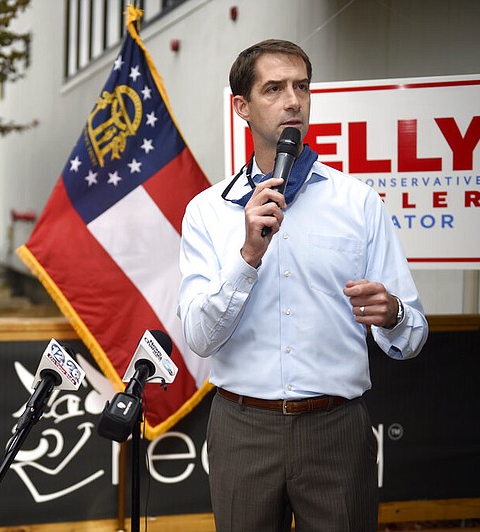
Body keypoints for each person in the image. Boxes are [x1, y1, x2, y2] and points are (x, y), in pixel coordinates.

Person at [177, 39, 428, 531]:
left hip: (336, 429)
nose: (293, 100)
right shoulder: (207, 212)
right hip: (242, 428)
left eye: (301, 87)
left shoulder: (357, 203)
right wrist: (248, 255)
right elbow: (200, 338)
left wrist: (394, 314)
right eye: (274, 88)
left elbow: (413, 335)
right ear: (242, 107)